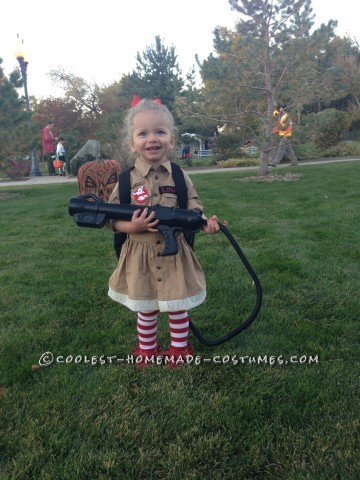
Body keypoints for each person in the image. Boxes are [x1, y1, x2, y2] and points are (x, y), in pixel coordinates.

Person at [107, 98, 224, 368]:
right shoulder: (126, 181)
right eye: (143, 133)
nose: (152, 139)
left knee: (177, 305)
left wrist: (205, 223)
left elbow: (194, 207)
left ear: (171, 140)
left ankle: (179, 350)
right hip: (139, 253)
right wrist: (131, 227)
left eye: (160, 132)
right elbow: (111, 219)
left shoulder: (180, 176)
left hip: (175, 254)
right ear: (132, 143)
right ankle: (147, 350)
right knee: (145, 307)